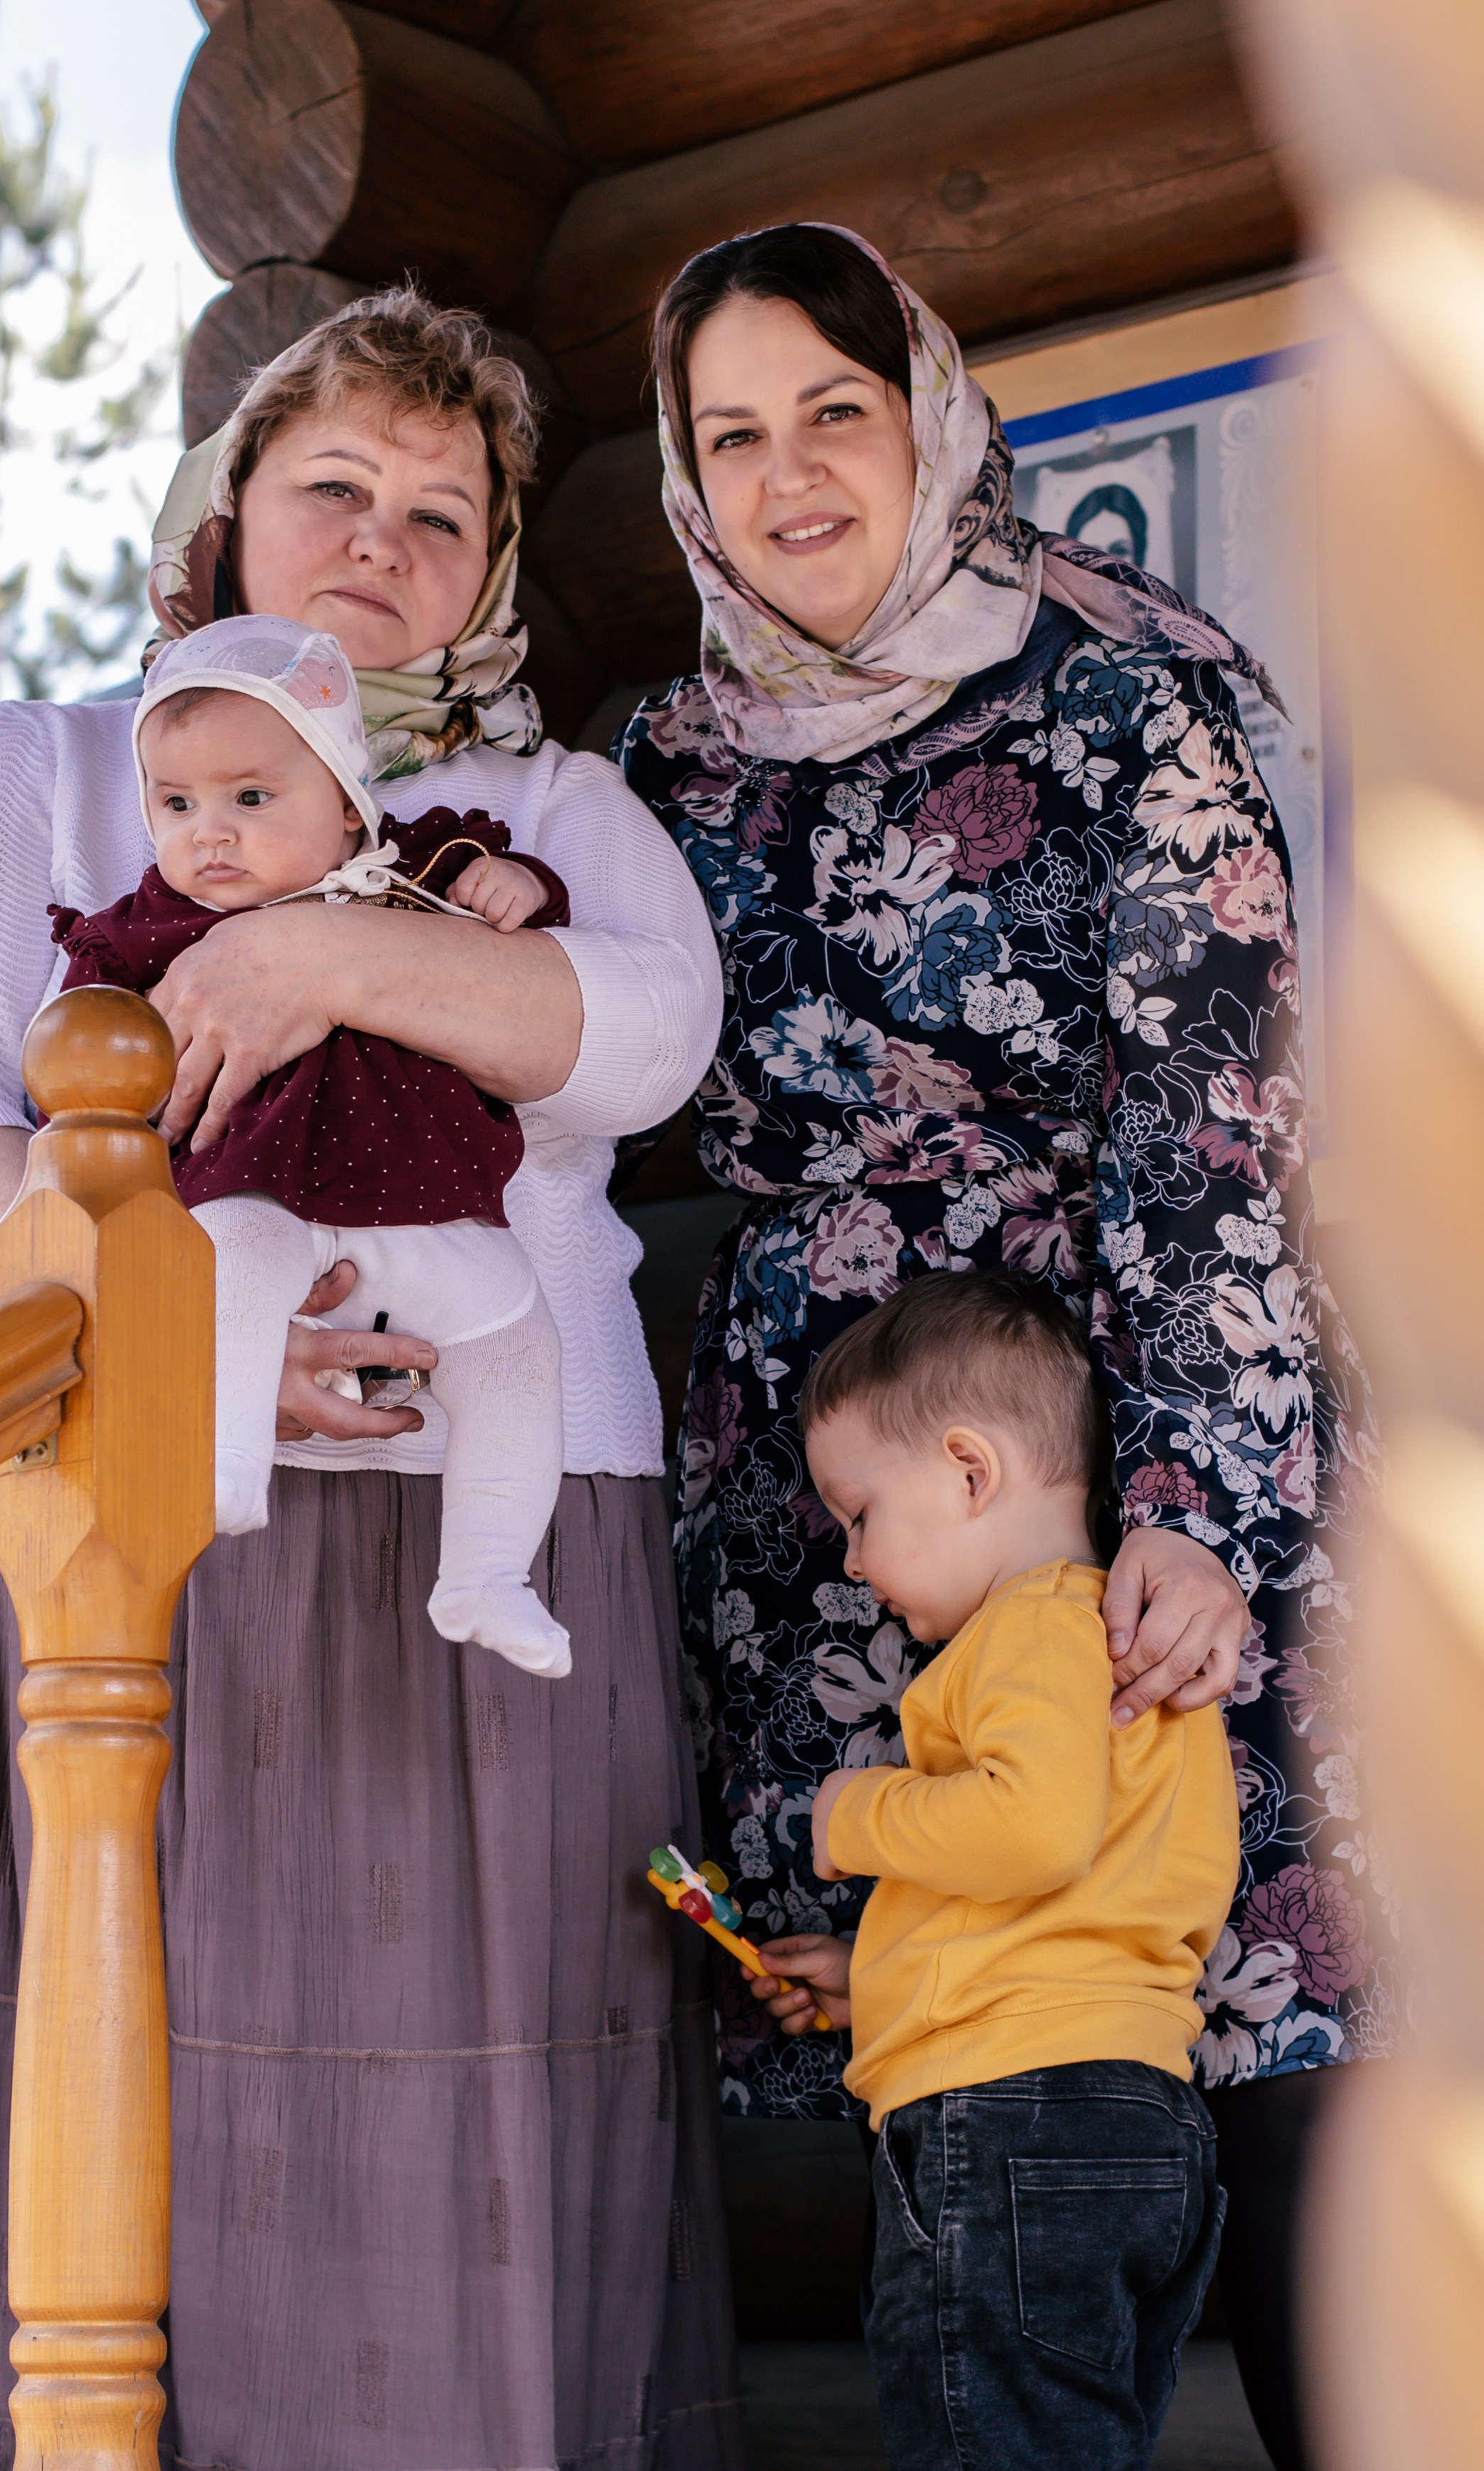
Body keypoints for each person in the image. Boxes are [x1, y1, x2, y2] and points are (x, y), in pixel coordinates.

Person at [0, 288, 740, 2471]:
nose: (382, 537)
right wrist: (141, 1332)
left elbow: (644, 1034)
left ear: (494, 570)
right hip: (84, 1503)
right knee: (93, 2058)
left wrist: (326, 944)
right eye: (334, 483)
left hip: (501, 1504)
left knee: (468, 2059)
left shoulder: (549, 799)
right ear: (230, 507)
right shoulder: (40, 766)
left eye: (445, 511)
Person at [617, 222, 1380, 2471]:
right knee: (974, 2059)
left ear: (929, 412)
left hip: (1124, 1405)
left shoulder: (1130, 686)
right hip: (834, 1483)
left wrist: (1200, 1512)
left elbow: (1212, 1126)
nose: (789, 477)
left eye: (831, 411)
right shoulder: (662, 754)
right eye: (729, 435)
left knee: (1264, 2029)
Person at [744, 1271, 1238, 2470]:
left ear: (970, 1470)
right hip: (1137, 2113)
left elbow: (1030, 1832)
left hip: (1012, 2124)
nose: (853, 1565)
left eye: (859, 1515)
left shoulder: (1024, 1631)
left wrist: (856, 1811)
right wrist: (886, 1975)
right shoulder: (1127, 1656)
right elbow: (1084, 1897)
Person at [55, 612, 573, 1675]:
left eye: (251, 798)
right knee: (224, 1266)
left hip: (432, 1208)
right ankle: (224, 1461)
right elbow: (81, 1032)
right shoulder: (149, 928)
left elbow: (520, 903)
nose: (211, 832)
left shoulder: (417, 871)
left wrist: (518, 891)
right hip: (259, 1193)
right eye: (177, 803)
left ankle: (488, 1574)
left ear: (346, 803)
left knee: (520, 1350)